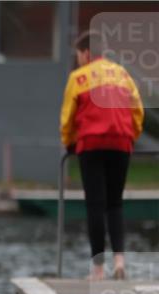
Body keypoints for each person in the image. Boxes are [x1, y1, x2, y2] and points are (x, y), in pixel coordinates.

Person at [60, 30, 144, 280]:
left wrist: (69, 144)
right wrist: (131, 136)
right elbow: (137, 111)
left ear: (86, 53)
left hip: (91, 144)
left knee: (95, 206)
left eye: (78, 56)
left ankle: (98, 269)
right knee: (115, 203)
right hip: (121, 143)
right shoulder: (122, 74)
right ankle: (120, 262)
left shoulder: (78, 77)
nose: (78, 61)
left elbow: (67, 120)